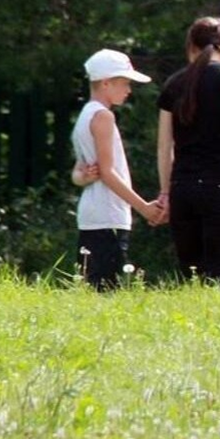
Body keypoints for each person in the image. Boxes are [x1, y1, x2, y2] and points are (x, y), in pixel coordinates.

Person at [150, 17, 220, 283]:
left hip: (183, 187)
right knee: (218, 274)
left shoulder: (173, 84)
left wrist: (165, 191)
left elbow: (164, 146)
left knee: (191, 276)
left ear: (190, 45)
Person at [72, 49, 165, 289]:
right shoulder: (103, 117)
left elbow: (78, 171)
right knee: (107, 287)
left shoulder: (85, 114)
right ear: (105, 83)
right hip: (108, 213)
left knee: (93, 284)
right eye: (124, 83)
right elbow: (108, 172)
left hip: (91, 212)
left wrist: (82, 178)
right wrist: (144, 207)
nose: (128, 90)